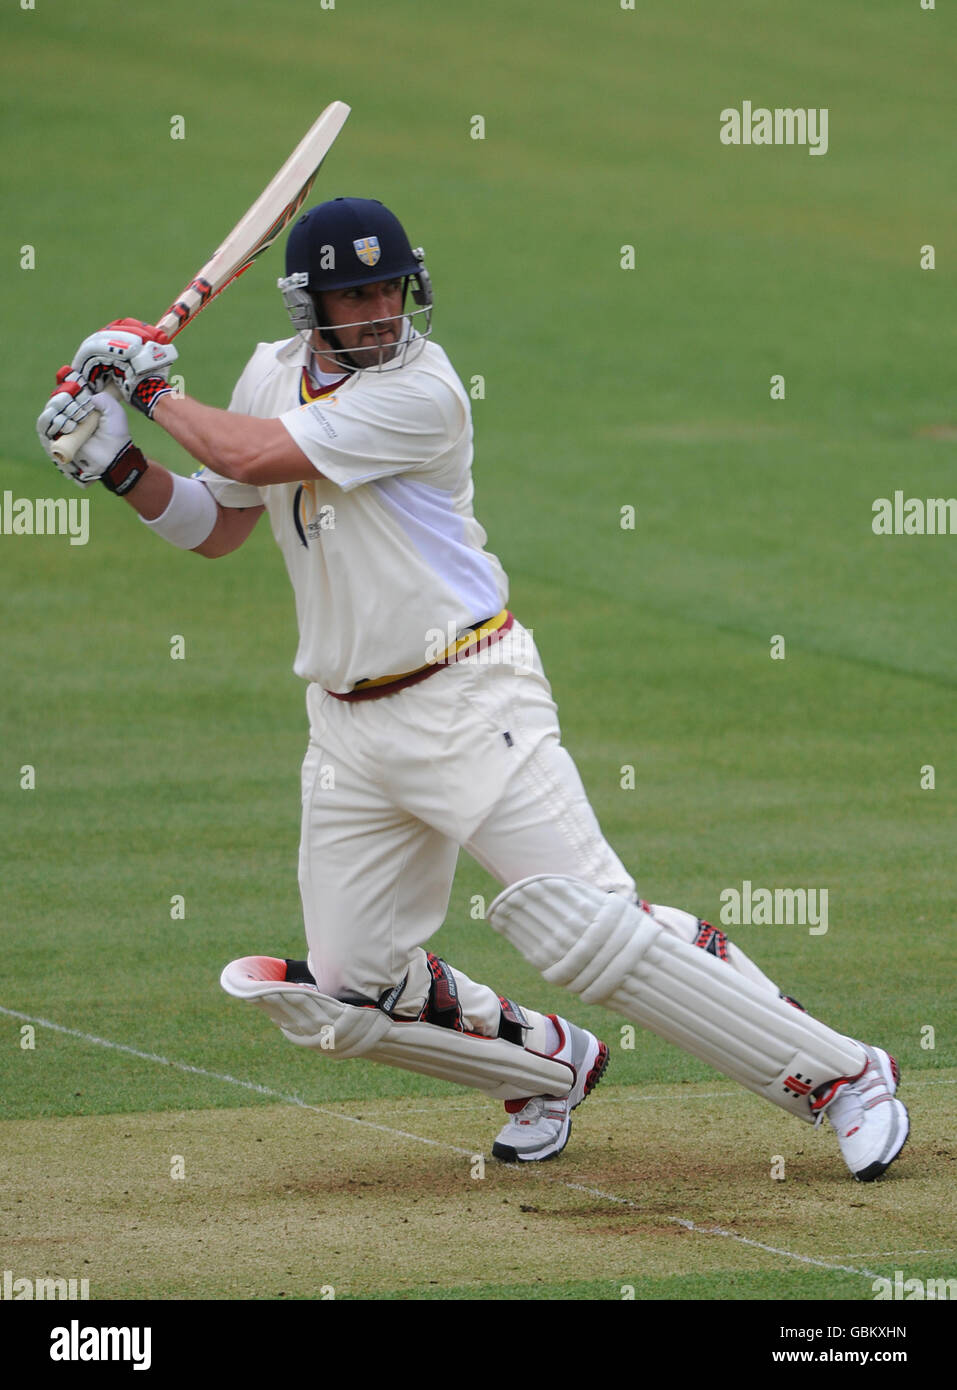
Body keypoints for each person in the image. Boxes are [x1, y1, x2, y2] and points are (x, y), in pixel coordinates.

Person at [37, 197, 909, 1179]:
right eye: (353, 295)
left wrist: (145, 388)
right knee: (346, 995)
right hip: (347, 730)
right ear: (309, 305)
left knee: (587, 932)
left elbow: (244, 450)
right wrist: (119, 466)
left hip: (469, 697)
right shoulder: (271, 375)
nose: (376, 312)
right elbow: (222, 518)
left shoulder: (425, 392)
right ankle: (546, 1064)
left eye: (389, 290)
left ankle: (845, 1075)